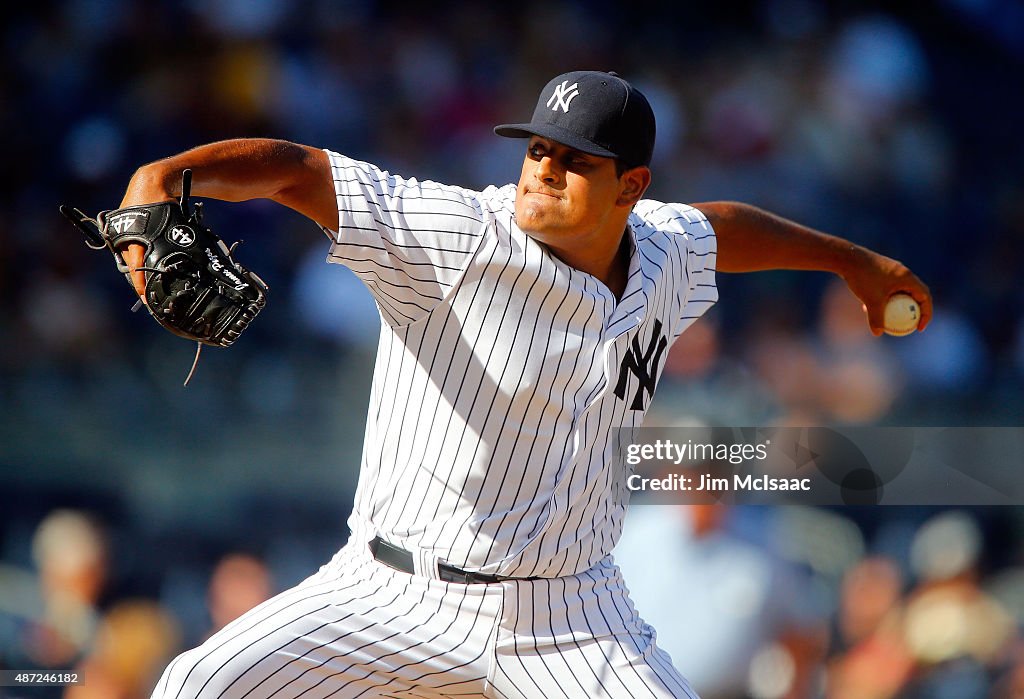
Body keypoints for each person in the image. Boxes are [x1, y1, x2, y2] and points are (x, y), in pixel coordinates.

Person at [114, 70, 931, 698]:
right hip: (388, 591)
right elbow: (296, 170)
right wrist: (167, 175)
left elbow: (728, 227)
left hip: (572, 614)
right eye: (538, 148)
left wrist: (851, 262)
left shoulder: (665, 248)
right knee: (196, 684)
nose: (543, 170)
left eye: (575, 161)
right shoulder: (455, 232)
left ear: (631, 188)